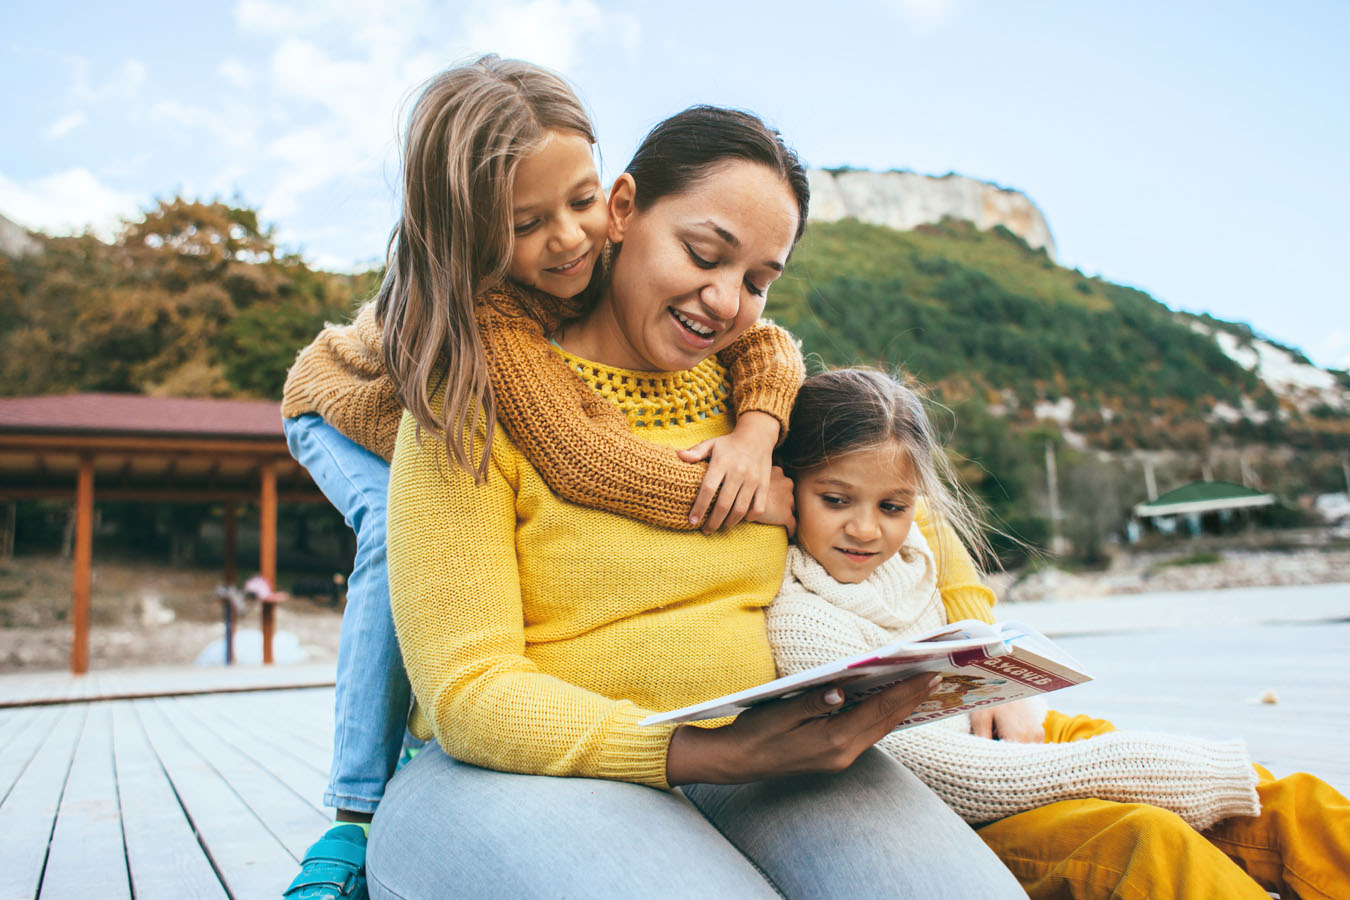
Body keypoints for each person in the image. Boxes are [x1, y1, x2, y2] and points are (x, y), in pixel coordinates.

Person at [366, 106, 1029, 899]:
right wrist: (703, 753)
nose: (725, 301)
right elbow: (469, 691)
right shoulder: (472, 398)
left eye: (756, 281)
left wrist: (986, 657)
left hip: (761, 758)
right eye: (702, 254)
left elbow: (904, 504)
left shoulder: (757, 395)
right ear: (621, 212)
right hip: (513, 770)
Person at [280, 57, 807, 900]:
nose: (566, 237)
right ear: (468, 230)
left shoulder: (599, 259)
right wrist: (741, 498)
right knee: (390, 539)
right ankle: (357, 810)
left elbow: (768, 340)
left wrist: (758, 428)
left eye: (581, 200)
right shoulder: (486, 324)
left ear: (615, 196)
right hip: (341, 402)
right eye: (527, 222)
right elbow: (576, 455)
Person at [767, 367, 1350, 900]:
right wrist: (1148, 767)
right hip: (968, 802)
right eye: (836, 500)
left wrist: (1012, 687)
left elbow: (943, 561)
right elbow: (950, 776)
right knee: (1150, 840)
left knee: (1282, 802)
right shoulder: (804, 621)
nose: (866, 529)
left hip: (1006, 732)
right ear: (786, 485)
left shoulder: (916, 551)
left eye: (893, 506)